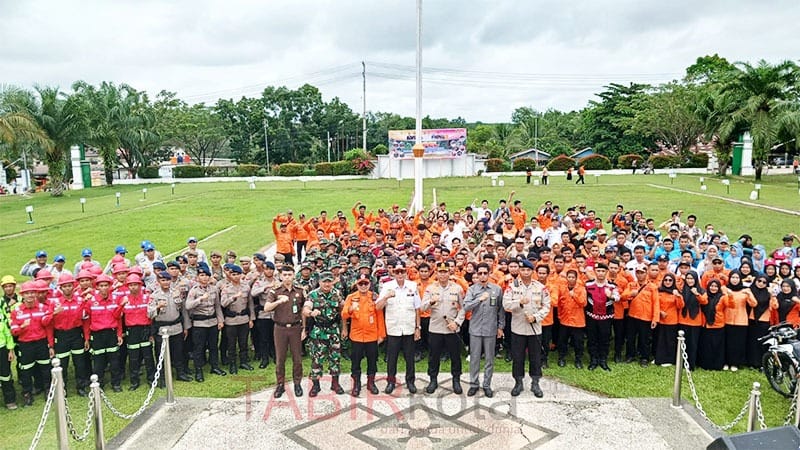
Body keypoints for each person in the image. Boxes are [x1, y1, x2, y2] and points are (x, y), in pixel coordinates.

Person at [503, 260, 550, 397]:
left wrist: (536, 317)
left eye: (528, 270)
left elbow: (546, 306)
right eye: (522, 270)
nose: (525, 272)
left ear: (532, 271)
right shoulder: (512, 287)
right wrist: (519, 303)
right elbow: (506, 305)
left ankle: (535, 383)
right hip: (518, 329)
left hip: (534, 328)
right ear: (519, 271)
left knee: (535, 357)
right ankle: (518, 382)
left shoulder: (540, 287)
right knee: (518, 357)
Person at [376, 261, 421, 394]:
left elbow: (417, 308)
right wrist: (386, 297)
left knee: (409, 357)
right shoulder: (387, 286)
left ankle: (410, 381)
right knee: (392, 357)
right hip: (393, 328)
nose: (400, 274)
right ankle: (391, 381)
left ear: (406, 272)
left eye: (402, 271)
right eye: (397, 272)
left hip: (409, 327)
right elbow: (378, 307)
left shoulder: (412, 286)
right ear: (393, 273)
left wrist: (418, 327)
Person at [420, 262, 465, 395]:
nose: (443, 274)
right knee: (434, 356)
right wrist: (430, 302)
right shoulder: (430, 288)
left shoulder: (457, 288)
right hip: (436, 329)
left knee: (455, 356)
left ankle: (456, 380)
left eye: (445, 272)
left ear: (449, 273)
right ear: (437, 273)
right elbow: (422, 308)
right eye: (440, 272)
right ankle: (433, 379)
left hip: (452, 329)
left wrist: (457, 323)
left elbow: (463, 309)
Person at [264, 265, 307, 398]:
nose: (287, 277)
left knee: (297, 358)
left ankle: (297, 383)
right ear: (280, 276)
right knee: (280, 358)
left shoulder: (300, 291)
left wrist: (304, 328)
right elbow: (266, 308)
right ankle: (280, 384)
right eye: (284, 275)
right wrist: (278, 301)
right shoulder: (275, 291)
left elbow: (303, 311)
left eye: (289, 274)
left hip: (295, 328)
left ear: (294, 275)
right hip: (280, 328)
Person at [464, 262, 504, 398]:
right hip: (475, 329)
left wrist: (500, 326)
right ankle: (474, 384)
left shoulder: (497, 289)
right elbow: (466, 307)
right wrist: (479, 299)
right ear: (476, 274)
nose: (482, 276)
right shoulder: (472, 290)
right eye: (479, 273)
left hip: (490, 329)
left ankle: (487, 385)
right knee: (474, 358)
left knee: (489, 359)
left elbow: (500, 310)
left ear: (489, 273)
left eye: (485, 273)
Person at [10, 281, 52, 406]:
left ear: (36, 294)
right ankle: (27, 394)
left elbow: (48, 327)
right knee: (26, 370)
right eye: (27, 293)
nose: (30, 295)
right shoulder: (16, 311)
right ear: (22, 295)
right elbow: (14, 331)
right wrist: (22, 327)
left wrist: (50, 344)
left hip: (41, 342)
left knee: (45, 367)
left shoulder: (42, 308)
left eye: (32, 293)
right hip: (26, 344)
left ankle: (48, 390)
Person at [303, 271, 345, 396]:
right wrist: (310, 313)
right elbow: (305, 309)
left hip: (333, 330)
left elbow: (342, 310)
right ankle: (316, 385)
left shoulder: (336, 294)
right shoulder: (313, 294)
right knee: (317, 359)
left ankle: (335, 383)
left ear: (332, 281)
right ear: (320, 282)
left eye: (329, 281)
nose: (327, 284)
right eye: (324, 281)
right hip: (318, 332)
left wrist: (344, 329)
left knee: (335, 358)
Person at [342, 274, 384, 396]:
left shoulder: (375, 297)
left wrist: (381, 334)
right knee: (355, 361)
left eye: (366, 283)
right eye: (361, 284)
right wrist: (350, 309)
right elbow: (344, 315)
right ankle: (356, 384)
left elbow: (379, 316)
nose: (363, 286)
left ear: (370, 284)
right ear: (357, 285)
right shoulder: (351, 297)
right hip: (357, 336)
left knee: (372, 361)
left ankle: (371, 383)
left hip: (372, 336)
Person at [148, 271, 193, 385]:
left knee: (178, 352)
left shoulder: (176, 293)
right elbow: (149, 313)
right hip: (162, 329)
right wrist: (158, 307)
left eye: (168, 280)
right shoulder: (154, 296)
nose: (166, 282)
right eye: (163, 280)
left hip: (176, 327)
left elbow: (183, 310)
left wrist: (186, 327)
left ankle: (180, 373)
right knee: (161, 354)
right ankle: (162, 376)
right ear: (158, 281)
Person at [49, 273, 90, 396]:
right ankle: (62, 388)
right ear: (60, 288)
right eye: (64, 286)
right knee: (62, 364)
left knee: (80, 362)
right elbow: (48, 324)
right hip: (61, 336)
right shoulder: (55, 303)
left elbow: (85, 321)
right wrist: (51, 344)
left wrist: (86, 338)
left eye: (69, 286)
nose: (67, 288)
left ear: (73, 286)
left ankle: (81, 387)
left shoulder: (80, 301)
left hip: (77, 334)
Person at [83, 274, 124, 391]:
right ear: (97, 287)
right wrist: (87, 338)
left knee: (114, 360)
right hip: (97, 335)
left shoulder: (116, 299)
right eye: (101, 285)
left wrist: (119, 334)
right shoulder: (91, 301)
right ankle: (98, 385)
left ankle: (116, 384)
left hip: (112, 333)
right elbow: (86, 321)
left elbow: (118, 318)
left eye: (106, 285)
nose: (104, 288)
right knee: (98, 361)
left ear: (110, 286)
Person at [185, 265, 226, 382]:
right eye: (202, 275)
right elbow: (188, 306)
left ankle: (215, 366)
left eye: (206, 275)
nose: (204, 278)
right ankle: (199, 370)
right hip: (199, 323)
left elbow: (217, 306)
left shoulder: (213, 289)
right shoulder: (194, 290)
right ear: (198, 277)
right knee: (199, 347)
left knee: (213, 346)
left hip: (212, 322)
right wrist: (200, 299)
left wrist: (220, 320)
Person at [118, 274, 156, 389]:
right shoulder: (124, 299)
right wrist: (121, 305)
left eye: (135, 285)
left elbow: (152, 317)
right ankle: (134, 382)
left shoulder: (147, 298)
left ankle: (151, 379)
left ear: (140, 285)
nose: (133, 287)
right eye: (130, 285)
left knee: (148, 356)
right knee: (133, 357)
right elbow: (117, 316)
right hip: (132, 331)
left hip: (145, 329)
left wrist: (152, 333)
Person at [584, 263, 620, 371]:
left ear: (606, 272)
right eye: (598, 271)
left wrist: (611, 296)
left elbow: (618, 297)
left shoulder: (612, 285)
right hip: (591, 317)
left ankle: (603, 360)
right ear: (595, 272)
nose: (600, 273)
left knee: (605, 339)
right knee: (592, 339)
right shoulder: (588, 284)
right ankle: (593, 360)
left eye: (603, 271)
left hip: (606, 318)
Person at [220, 264, 255, 374]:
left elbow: (250, 304)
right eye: (233, 274)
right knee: (231, 344)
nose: (235, 276)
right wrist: (233, 297)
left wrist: (251, 318)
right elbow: (223, 303)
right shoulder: (226, 289)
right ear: (230, 276)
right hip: (231, 320)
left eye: (237, 274)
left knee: (243, 343)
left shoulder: (246, 287)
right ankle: (232, 364)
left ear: (241, 275)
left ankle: (243, 362)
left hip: (244, 318)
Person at [723, 271, 756, 371]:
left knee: (738, 343)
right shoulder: (724, 288)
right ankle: (726, 361)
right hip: (727, 318)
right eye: (733, 277)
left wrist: (749, 294)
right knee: (726, 341)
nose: (734, 279)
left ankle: (735, 363)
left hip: (741, 320)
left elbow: (754, 304)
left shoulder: (745, 290)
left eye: (737, 277)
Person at [558, 269, 586, 368]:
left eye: (573, 277)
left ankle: (578, 360)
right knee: (562, 341)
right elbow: (559, 304)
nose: (570, 279)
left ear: (576, 278)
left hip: (577, 321)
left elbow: (583, 303)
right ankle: (561, 358)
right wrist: (560, 316)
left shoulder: (581, 289)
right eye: (569, 277)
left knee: (578, 343)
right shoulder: (562, 288)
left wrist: (574, 295)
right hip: (564, 320)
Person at [697, 280, 727, 370]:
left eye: (715, 286)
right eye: (711, 286)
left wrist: (730, 295)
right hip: (706, 324)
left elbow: (731, 304)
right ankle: (705, 364)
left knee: (717, 346)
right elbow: (702, 301)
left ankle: (717, 365)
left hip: (718, 324)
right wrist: (697, 294)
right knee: (706, 345)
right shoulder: (705, 295)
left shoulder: (722, 297)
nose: (713, 288)